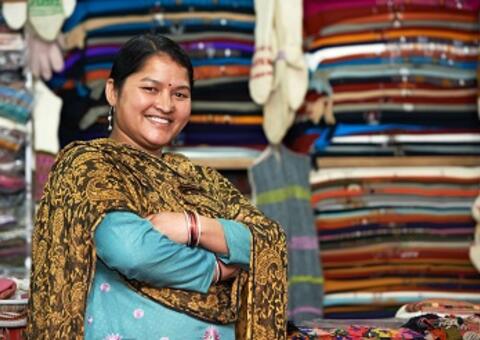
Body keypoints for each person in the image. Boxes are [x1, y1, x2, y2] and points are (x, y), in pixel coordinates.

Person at [26, 34, 288, 339]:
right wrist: (215, 269)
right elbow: (129, 248)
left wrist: (192, 227)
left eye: (180, 94)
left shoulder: (198, 178)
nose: (165, 105)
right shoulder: (87, 164)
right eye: (150, 89)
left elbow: (266, 238)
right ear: (113, 91)